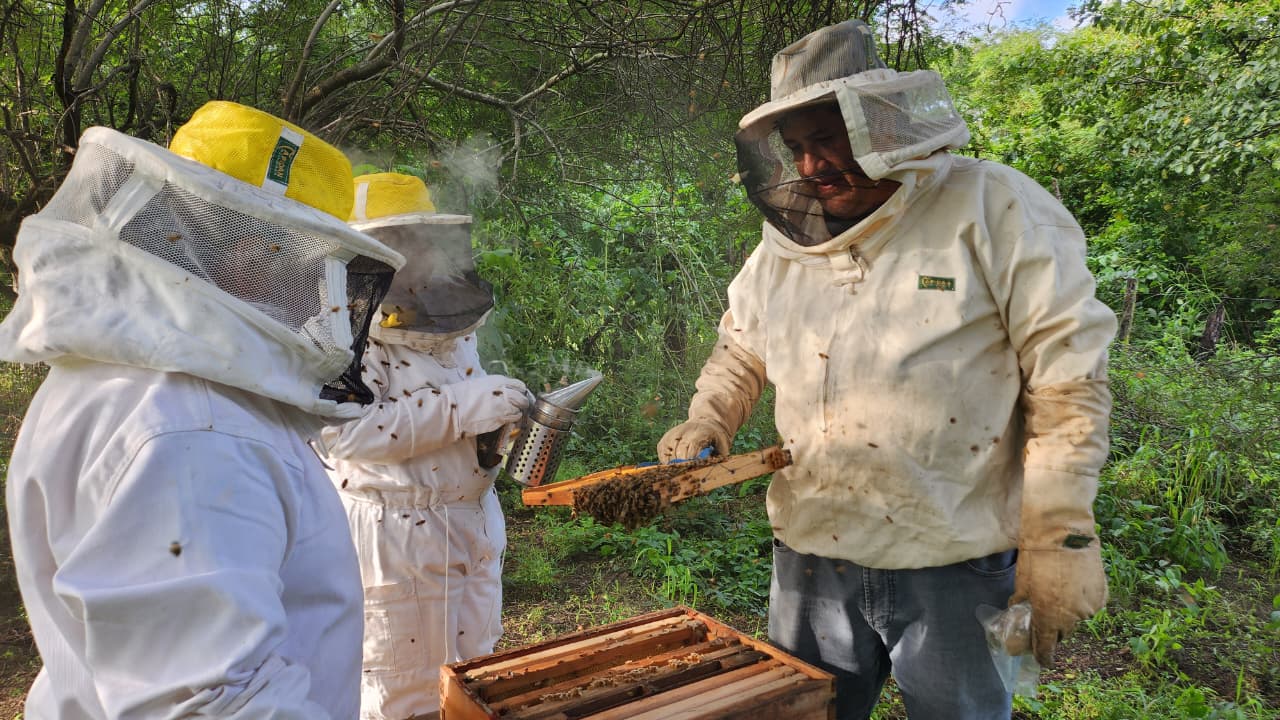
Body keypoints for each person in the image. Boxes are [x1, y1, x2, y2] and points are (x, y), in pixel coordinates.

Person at [658, 19, 1115, 720]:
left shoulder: (994, 207)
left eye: (830, 139)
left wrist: (1060, 534)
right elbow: (742, 345)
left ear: (885, 122)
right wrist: (709, 413)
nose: (811, 167)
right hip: (812, 555)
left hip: (954, 563)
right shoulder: (784, 246)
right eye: (798, 148)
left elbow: (1067, 379)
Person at [0, 101, 404, 718]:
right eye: (295, 262)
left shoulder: (114, 376)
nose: (312, 290)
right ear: (247, 255)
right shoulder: (195, 426)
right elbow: (213, 703)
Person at [316, 172, 530, 720]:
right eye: (394, 244)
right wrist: (465, 409)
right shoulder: (338, 332)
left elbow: (452, 413)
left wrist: (498, 422)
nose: (409, 256)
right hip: (397, 538)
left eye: (415, 241)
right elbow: (346, 433)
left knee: (475, 680)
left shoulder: (452, 316)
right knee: (403, 694)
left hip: (473, 526)